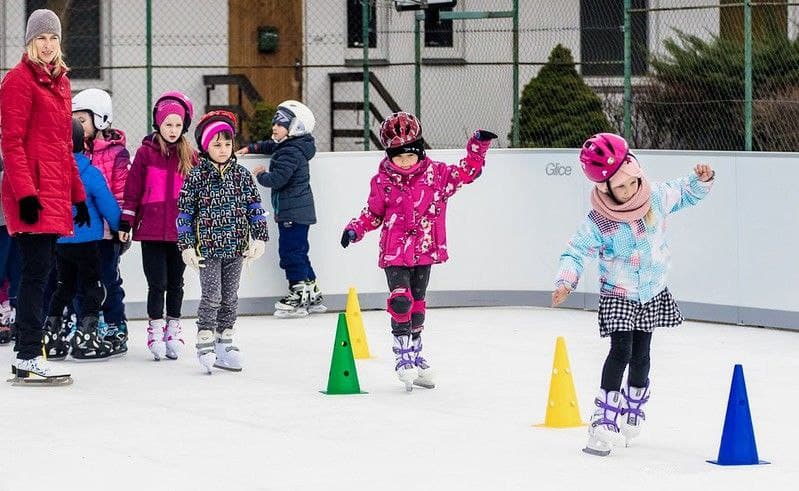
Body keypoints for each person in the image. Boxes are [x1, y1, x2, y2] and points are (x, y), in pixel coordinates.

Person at [551, 133, 715, 456]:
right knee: (620, 352)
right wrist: (566, 281)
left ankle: (633, 405)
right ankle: (603, 418)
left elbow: (683, 193)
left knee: (643, 355)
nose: (628, 192)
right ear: (604, 189)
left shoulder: (653, 198)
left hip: (651, 291)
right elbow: (576, 250)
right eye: (619, 188)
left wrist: (701, 180)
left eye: (631, 183)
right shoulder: (599, 220)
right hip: (618, 293)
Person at [340, 111, 497, 391]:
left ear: (420, 152)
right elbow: (373, 214)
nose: (404, 162)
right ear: (389, 156)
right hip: (394, 251)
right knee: (401, 301)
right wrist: (355, 229)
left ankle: (416, 351)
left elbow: (467, 172)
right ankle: (402, 354)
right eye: (398, 157)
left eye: (410, 156)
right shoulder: (382, 181)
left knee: (418, 307)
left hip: (425, 249)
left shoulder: (437, 175)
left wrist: (478, 145)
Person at [0, 9, 89, 382]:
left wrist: (79, 195)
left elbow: (61, 147)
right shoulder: (18, 81)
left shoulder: (61, 83)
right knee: (36, 274)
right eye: (41, 39)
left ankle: (27, 354)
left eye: (53, 38)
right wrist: (25, 194)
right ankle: (26, 354)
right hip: (32, 193)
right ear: (30, 42)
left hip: (53, 190)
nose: (48, 45)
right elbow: (11, 143)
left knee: (41, 273)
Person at [178, 110, 269, 372]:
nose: (223, 149)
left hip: (236, 248)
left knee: (230, 297)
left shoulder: (241, 176)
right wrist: (186, 245)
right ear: (206, 146)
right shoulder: (196, 176)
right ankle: (205, 337)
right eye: (217, 144)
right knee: (212, 296)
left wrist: (259, 238)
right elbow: (185, 213)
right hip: (207, 249)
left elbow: (255, 207)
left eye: (227, 143)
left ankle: (224, 341)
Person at [119, 91, 196, 361]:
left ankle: (173, 328)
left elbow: (197, 194)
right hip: (151, 230)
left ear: (184, 126)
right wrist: (127, 219)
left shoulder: (191, 156)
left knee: (176, 282)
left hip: (180, 233)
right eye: (168, 125)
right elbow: (133, 189)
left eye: (177, 125)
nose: (172, 130)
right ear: (158, 125)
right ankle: (154, 328)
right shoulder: (144, 154)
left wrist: (197, 225)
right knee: (157, 283)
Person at [236, 100, 323, 318]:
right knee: (300, 252)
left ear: (295, 127)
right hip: (298, 212)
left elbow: (277, 179)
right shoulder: (293, 146)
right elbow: (270, 145)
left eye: (280, 124)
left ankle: (298, 294)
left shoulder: (290, 152)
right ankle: (311, 292)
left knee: (290, 253)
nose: (274, 127)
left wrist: (259, 174)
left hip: (292, 213)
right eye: (275, 123)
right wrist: (252, 148)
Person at [43, 119, 120, 361]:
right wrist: (120, 227)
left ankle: (52, 336)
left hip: (60, 242)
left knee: (63, 287)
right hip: (87, 243)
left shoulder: (49, 173)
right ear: (82, 143)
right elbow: (107, 203)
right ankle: (87, 338)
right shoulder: (89, 173)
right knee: (92, 288)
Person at [72, 88, 131, 354]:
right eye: (73, 120)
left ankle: (115, 325)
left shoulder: (116, 153)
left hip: (107, 232)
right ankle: (87, 325)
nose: (76, 125)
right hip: (81, 233)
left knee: (108, 280)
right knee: (79, 282)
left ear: (101, 118)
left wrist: (121, 227)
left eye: (82, 120)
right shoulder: (73, 153)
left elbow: (120, 193)